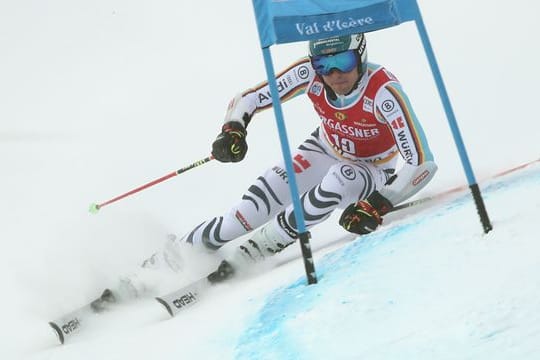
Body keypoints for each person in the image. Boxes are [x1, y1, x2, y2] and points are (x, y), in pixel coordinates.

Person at [118, 33, 437, 298]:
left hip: (371, 169)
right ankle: (162, 263)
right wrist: (233, 128)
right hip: (323, 148)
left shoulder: (383, 91)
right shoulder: (309, 74)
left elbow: (421, 161)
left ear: (361, 56)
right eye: (325, 64)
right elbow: (250, 98)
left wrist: (379, 202)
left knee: (340, 179)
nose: (335, 74)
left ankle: (265, 244)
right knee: (241, 217)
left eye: (344, 62)